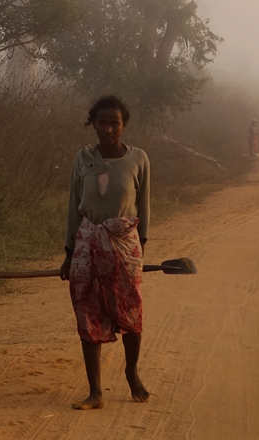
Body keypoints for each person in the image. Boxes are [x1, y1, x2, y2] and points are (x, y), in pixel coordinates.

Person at [58, 93, 151, 409]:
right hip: (87, 242)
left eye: (115, 123)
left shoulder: (138, 159)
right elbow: (74, 207)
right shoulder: (83, 159)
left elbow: (144, 207)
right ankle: (95, 391)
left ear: (124, 125)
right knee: (87, 313)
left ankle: (131, 372)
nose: (109, 129)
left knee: (131, 312)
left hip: (125, 244)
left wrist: (142, 247)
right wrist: (70, 253)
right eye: (102, 123)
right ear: (93, 125)